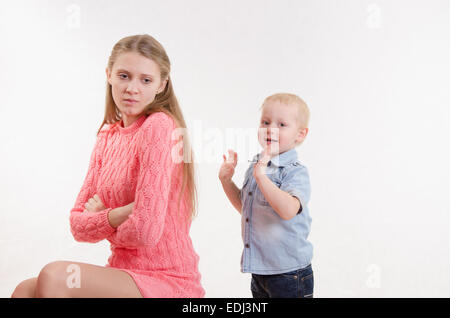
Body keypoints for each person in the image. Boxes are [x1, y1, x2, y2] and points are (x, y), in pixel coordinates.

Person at [11, 34, 204, 298]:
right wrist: (122, 212)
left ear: (161, 84)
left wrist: (103, 218)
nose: (132, 88)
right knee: (24, 290)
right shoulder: (107, 137)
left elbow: (145, 232)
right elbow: (78, 225)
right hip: (121, 273)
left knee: (56, 276)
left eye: (145, 80)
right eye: (124, 76)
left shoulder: (159, 125)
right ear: (109, 74)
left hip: (166, 279)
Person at [219, 93, 314, 298]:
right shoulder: (258, 165)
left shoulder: (294, 171)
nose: (271, 128)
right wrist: (226, 181)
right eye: (266, 122)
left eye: (282, 124)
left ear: (300, 134)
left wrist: (262, 178)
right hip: (261, 271)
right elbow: (246, 209)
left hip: (289, 272)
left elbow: (288, 210)